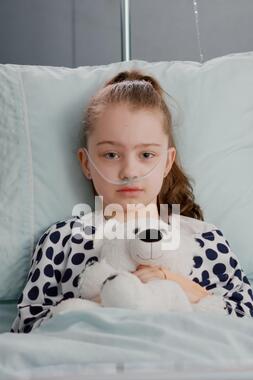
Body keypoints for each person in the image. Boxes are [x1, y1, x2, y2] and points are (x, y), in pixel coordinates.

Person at [11, 69, 253, 333]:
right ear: (86, 163)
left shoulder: (204, 239)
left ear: (167, 162)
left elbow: (245, 320)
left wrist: (174, 284)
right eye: (111, 154)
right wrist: (109, 299)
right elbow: (27, 328)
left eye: (147, 154)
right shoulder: (63, 240)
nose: (130, 171)